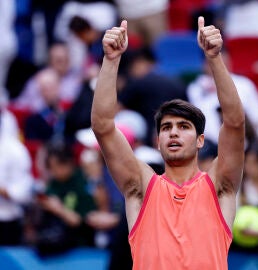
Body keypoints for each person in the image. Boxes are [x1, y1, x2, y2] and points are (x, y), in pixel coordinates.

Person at [91, 17, 245, 269]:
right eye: (166, 128)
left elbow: (235, 123)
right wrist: (111, 60)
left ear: (200, 141)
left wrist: (214, 59)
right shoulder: (140, 188)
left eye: (183, 127)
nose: (173, 133)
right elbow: (103, 127)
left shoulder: (219, 186)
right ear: (157, 141)